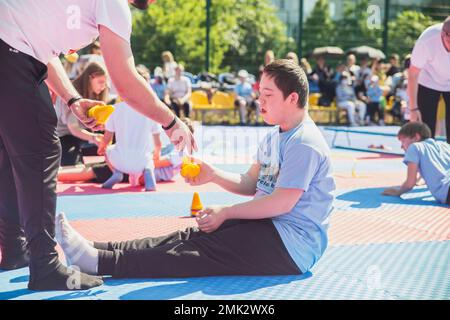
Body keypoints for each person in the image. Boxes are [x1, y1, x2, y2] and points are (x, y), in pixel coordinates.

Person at [54, 59, 336, 281]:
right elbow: (253, 183)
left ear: (293, 98)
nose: (259, 101)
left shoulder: (304, 142)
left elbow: (281, 203)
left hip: (291, 246)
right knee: (190, 236)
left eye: (268, 95)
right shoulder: (275, 135)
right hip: (270, 227)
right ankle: (98, 249)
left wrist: (227, 212)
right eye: (259, 93)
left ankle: (99, 263)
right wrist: (213, 175)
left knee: (198, 250)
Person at [0, 0, 195, 291]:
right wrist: (171, 122)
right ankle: (45, 266)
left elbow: (39, 49)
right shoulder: (114, 4)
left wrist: (73, 100)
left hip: (12, 49)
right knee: (41, 151)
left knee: (10, 154)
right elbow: (125, 81)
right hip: (12, 54)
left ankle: (16, 251)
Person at [58, 118, 195, 184]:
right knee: (92, 169)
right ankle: (53, 174)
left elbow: (157, 162)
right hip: (136, 168)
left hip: (135, 170)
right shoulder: (175, 149)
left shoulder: (180, 154)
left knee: (93, 171)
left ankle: (53, 176)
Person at [383, 122, 450, 205]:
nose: (401, 146)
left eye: (403, 140)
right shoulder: (444, 145)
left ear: (416, 137)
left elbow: (410, 183)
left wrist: (398, 192)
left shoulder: (414, 147)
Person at [56, 62, 108, 166]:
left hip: (83, 136)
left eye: (105, 83)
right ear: (90, 78)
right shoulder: (72, 96)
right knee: (71, 165)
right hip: (64, 136)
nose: (103, 87)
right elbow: (74, 129)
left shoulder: (95, 94)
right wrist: (94, 138)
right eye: (101, 82)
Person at [408, 17, 450, 142]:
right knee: (425, 130)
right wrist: (413, 108)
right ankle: (425, 157)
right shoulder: (427, 40)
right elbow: (413, 74)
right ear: (443, 34)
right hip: (428, 80)